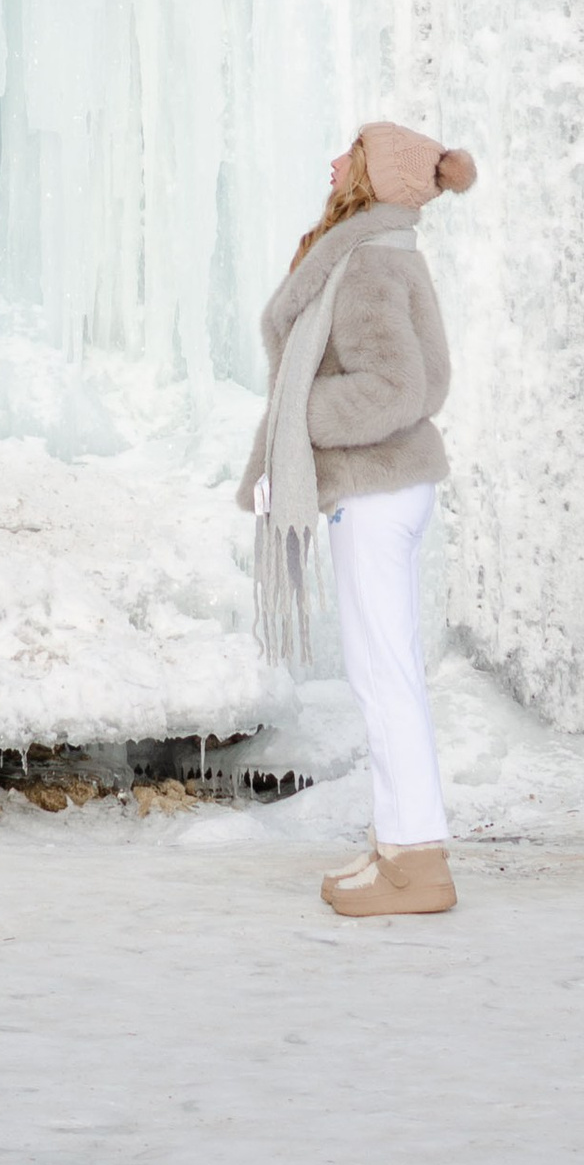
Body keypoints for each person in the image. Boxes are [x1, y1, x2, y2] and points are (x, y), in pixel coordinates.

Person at [240, 118, 477, 919]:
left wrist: (298, 416)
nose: (335, 156)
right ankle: (396, 843)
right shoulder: (384, 250)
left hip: (376, 487)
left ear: (373, 173)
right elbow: (432, 373)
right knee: (382, 669)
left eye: (353, 148)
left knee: (385, 674)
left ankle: (417, 862)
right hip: (385, 487)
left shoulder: (371, 259)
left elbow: (399, 386)